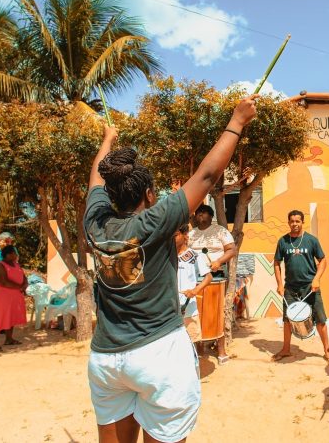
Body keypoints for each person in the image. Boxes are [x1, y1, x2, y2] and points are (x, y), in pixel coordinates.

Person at [83, 94, 258, 443]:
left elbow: (95, 183)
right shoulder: (154, 222)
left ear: (111, 195)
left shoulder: (96, 222)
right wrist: (237, 122)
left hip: (105, 359)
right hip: (158, 355)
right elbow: (207, 176)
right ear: (149, 193)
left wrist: (107, 140)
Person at [271, 210, 329, 365]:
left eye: (298, 221)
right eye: (292, 221)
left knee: (320, 319)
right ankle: (286, 349)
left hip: (310, 287)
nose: (295, 224)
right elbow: (276, 263)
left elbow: (323, 261)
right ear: (288, 222)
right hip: (290, 288)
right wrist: (280, 284)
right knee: (287, 320)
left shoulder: (311, 240)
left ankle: (327, 351)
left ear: (302, 222)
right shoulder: (283, 241)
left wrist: (316, 279)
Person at [188, 204, 236, 363]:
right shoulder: (192, 233)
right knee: (197, 313)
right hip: (195, 278)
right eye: (198, 213)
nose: (200, 215)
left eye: (203, 213)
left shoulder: (220, 230)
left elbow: (231, 250)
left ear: (210, 215)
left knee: (215, 314)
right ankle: (199, 348)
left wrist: (219, 261)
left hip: (215, 276)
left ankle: (221, 351)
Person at [175, 224, 213, 344]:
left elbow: (208, 277)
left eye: (175, 236)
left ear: (185, 235)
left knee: (190, 343)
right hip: (169, 310)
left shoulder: (195, 256)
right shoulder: (166, 256)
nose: (171, 239)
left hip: (188, 309)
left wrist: (194, 291)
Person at [0, 245, 28, 352]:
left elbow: (23, 277)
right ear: (9, 254)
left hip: (15, 295)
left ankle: (9, 339)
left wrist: (24, 284)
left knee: (11, 316)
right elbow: (3, 281)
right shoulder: (0, 266)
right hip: (3, 296)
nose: (16, 255)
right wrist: (19, 286)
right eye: (14, 253)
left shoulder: (16, 264)